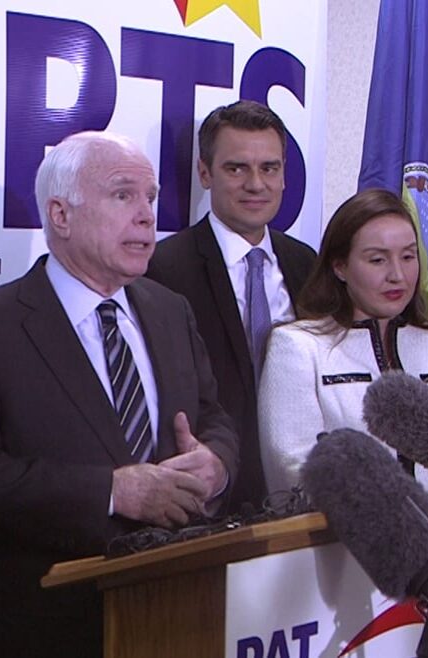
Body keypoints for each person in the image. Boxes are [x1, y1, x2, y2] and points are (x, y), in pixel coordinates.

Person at [0, 131, 239, 658]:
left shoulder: (169, 310)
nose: (145, 216)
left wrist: (217, 466)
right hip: (55, 624)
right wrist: (112, 492)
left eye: (151, 198)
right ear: (60, 215)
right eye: (122, 196)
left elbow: (214, 418)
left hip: (181, 612)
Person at [145, 100, 316, 513]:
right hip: (213, 499)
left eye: (269, 168)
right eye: (236, 168)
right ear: (205, 173)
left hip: (302, 490)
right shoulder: (162, 270)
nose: (255, 184)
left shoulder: (307, 264)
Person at [258, 188, 428, 494]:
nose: (397, 275)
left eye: (408, 256)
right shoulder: (298, 347)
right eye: (377, 260)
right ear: (340, 266)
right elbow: (294, 471)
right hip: (343, 539)